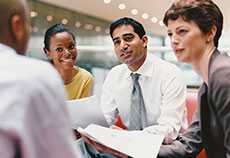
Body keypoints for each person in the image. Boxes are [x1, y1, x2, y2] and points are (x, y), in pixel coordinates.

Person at [82, 17, 187, 157]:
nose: (122, 46)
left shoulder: (170, 73)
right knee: (81, 146)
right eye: (117, 42)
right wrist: (90, 129)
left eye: (128, 38)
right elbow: (105, 118)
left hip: (165, 146)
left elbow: (169, 129)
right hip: (127, 146)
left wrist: (129, 138)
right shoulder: (115, 75)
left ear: (144, 41)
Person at [0, 0, 81, 157]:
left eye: (71, 46)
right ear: (17, 26)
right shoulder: (35, 76)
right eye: (28, 24)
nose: (67, 53)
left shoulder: (83, 77)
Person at [159, 0, 229, 157]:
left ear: (210, 33)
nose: (174, 40)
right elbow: (191, 143)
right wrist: (137, 148)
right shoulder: (208, 81)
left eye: (182, 31)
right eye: (170, 34)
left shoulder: (223, 76)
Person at [43, 24, 93, 100]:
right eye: (59, 49)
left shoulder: (86, 79)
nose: (67, 53)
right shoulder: (41, 79)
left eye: (71, 47)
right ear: (47, 52)